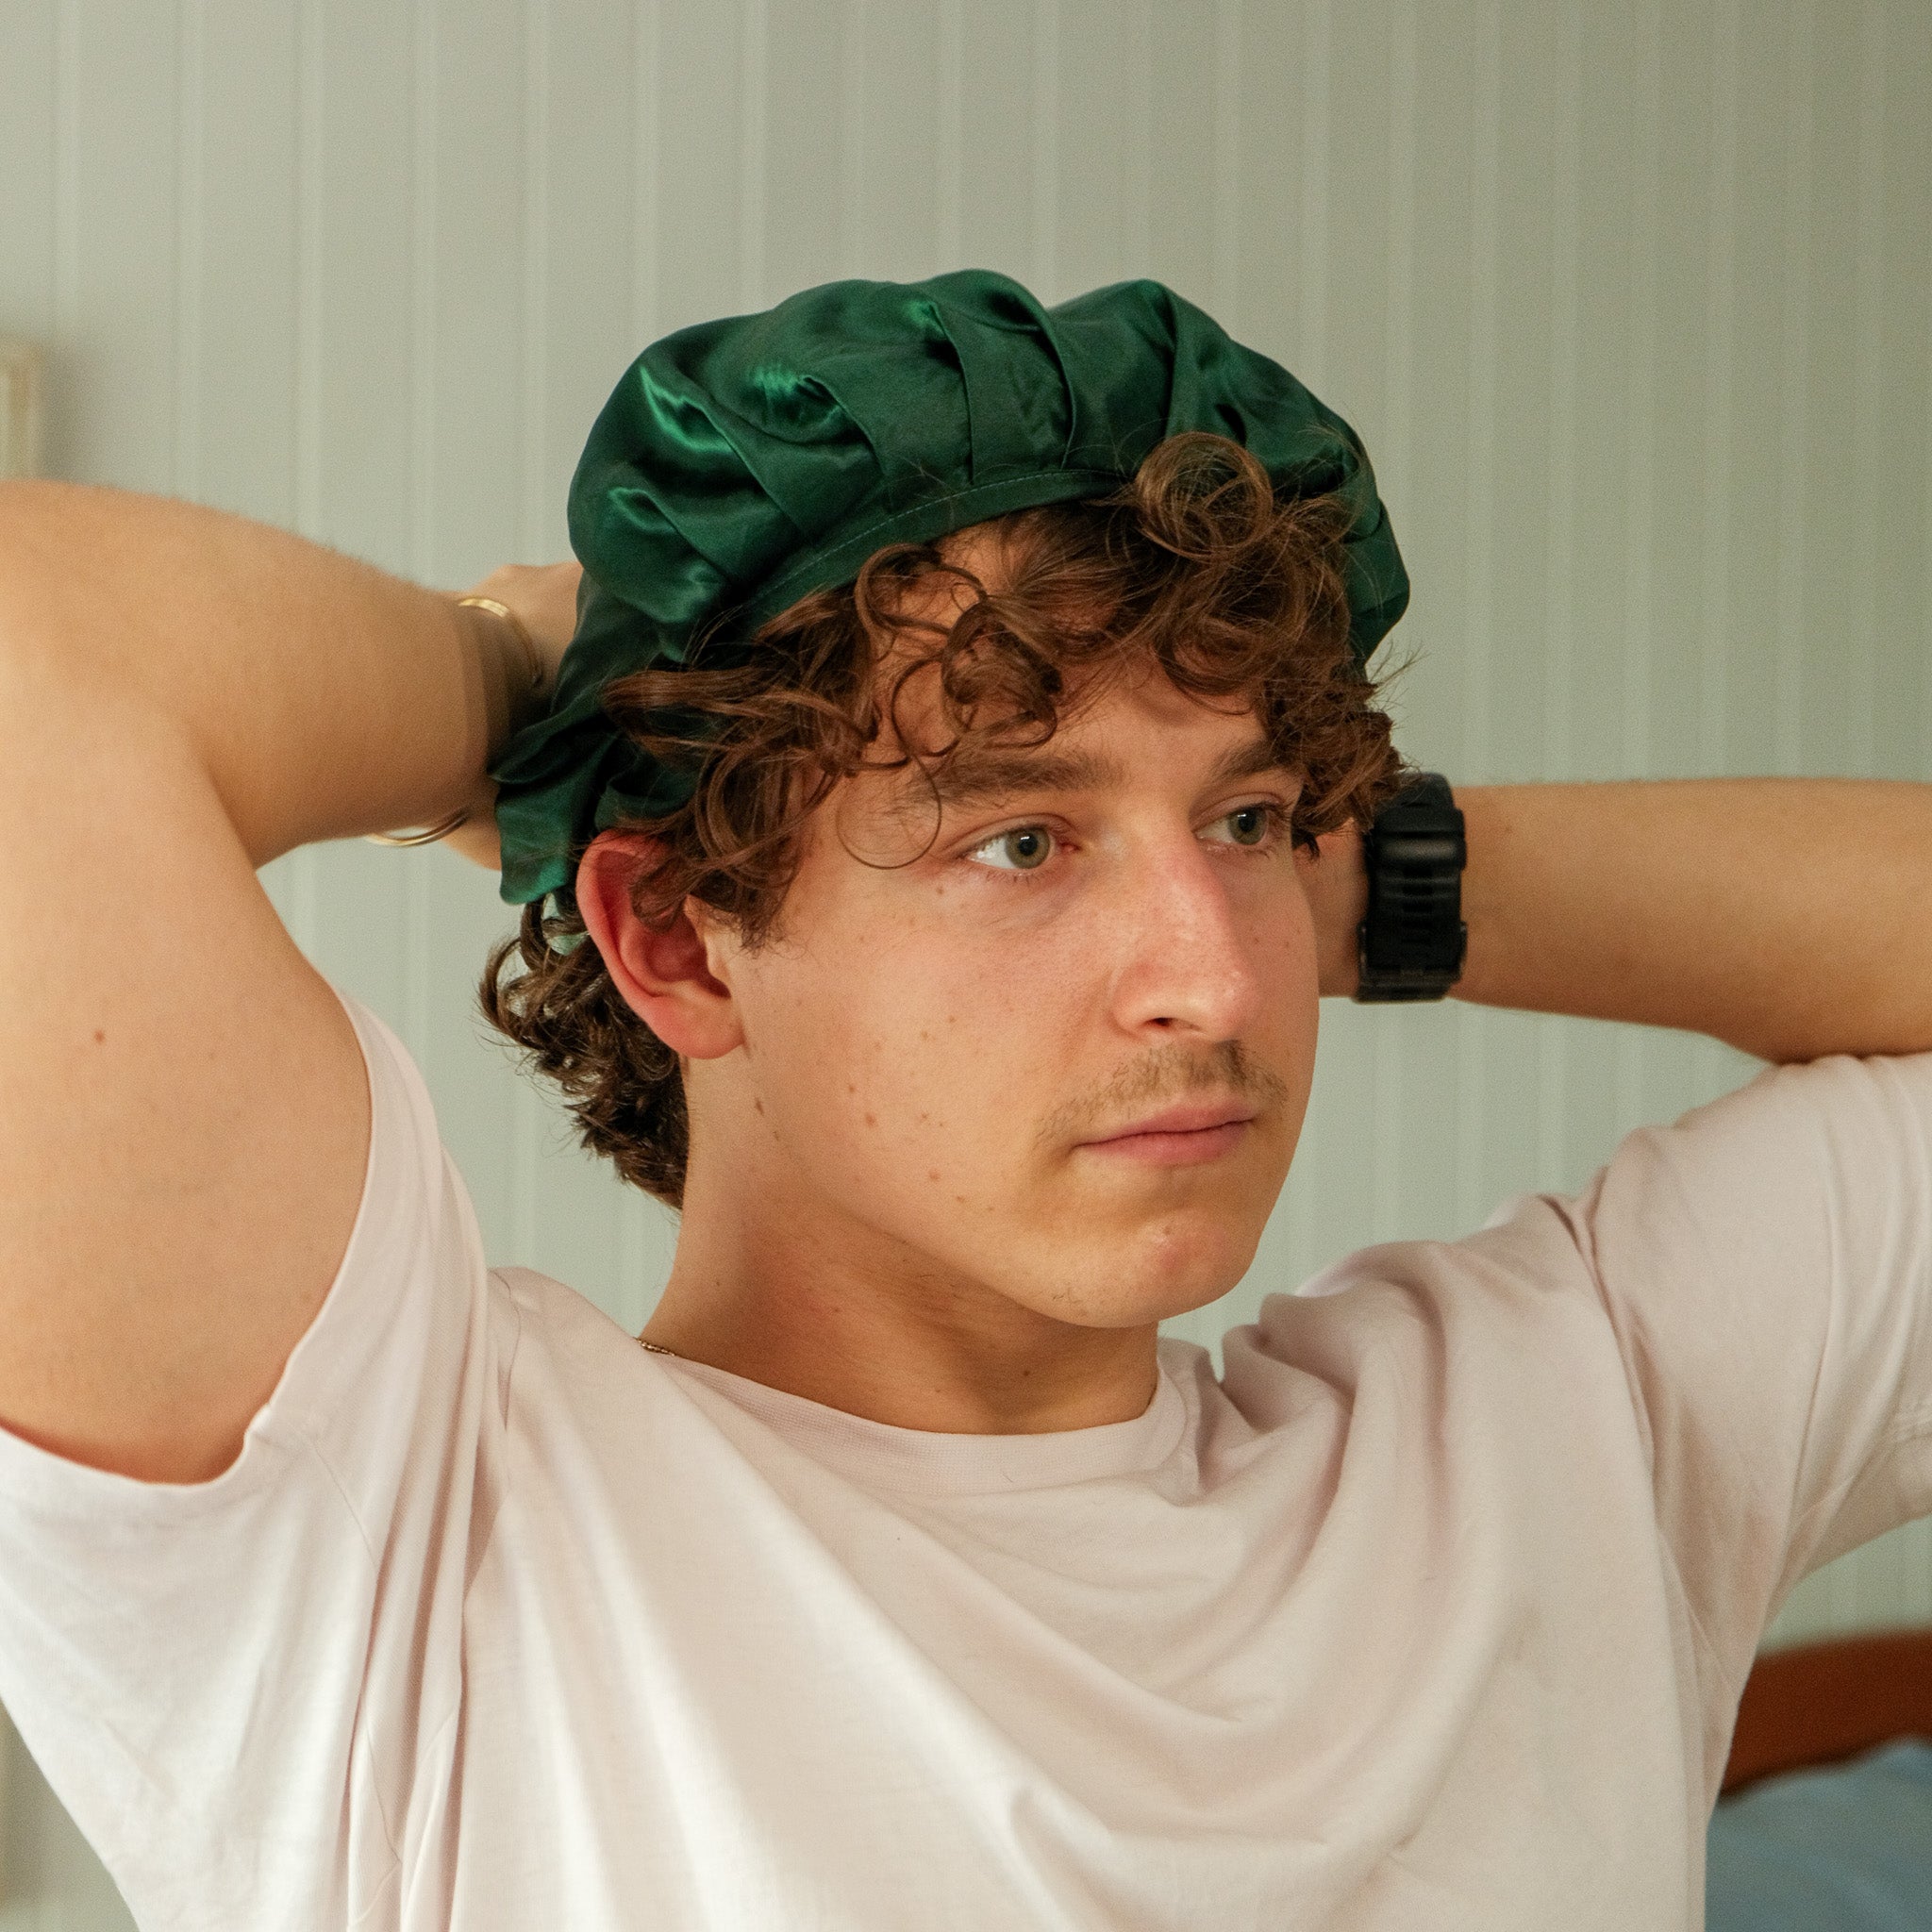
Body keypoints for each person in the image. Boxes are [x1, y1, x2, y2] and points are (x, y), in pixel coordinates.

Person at [0, 271, 1927, 1932]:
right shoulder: (392, 1537)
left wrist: (1365, 872)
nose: (1211, 970)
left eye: (1247, 821)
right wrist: (547, 690)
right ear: (676, 937)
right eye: (1021, 837)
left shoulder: (1552, 1439)